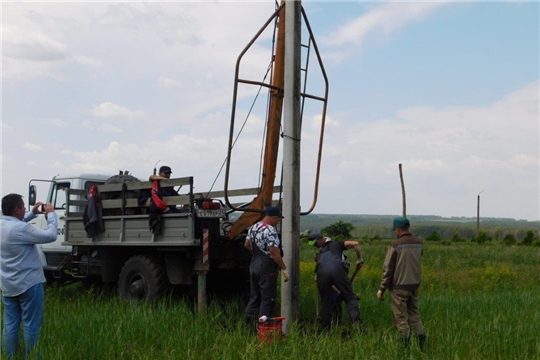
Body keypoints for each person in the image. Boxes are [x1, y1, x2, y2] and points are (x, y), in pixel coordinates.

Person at [1, 194, 58, 359]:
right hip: (29, 284)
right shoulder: (20, 229)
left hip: (8, 285)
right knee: (31, 327)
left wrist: (32, 214)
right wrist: (51, 215)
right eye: (23, 207)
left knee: (10, 326)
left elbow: (17, 224)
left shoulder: (3, 226)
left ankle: (9, 357)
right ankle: (32, 357)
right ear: (17, 209)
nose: (25, 209)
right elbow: (50, 235)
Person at [377, 216, 426, 350]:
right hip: (414, 285)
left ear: (398, 229)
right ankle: (422, 345)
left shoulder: (396, 244)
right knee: (415, 315)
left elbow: (388, 268)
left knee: (401, 318)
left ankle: (406, 350)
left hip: (399, 286)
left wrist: (382, 288)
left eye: (395, 230)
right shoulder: (419, 242)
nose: (395, 232)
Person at [244, 206, 289, 330]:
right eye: (278, 219)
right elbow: (274, 251)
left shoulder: (253, 227)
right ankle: (263, 330)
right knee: (267, 299)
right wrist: (284, 268)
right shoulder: (270, 230)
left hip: (254, 265)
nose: (278, 222)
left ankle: (248, 328)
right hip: (266, 267)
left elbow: (247, 244)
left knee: (254, 297)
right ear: (274, 217)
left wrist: (258, 255)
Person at [309, 231, 364, 332]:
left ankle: (325, 330)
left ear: (321, 238)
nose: (315, 246)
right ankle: (356, 324)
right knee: (350, 297)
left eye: (316, 243)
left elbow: (355, 243)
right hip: (337, 272)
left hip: (323, 274)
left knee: (325, 302)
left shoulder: (324, 251)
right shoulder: (333, 247)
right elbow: (355, 244)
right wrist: (359, 259)